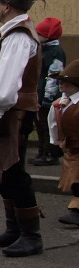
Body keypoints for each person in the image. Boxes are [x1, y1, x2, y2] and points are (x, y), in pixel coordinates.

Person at [0, 0, 50, 257]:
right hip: (10, 111)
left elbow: (7, 89)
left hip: (11, 112)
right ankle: (15, 229)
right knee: (7, 173)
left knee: (14, 172)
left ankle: (31, 235)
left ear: (7, 6)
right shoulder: (13, 33)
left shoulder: (18, 37)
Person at [31, 17, 66, 167]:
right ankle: (42, 151)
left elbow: (54, 76)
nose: (36, 35)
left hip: (48, 98)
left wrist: (47, 97)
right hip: (39, 95)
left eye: (39, 33)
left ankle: (51, 153)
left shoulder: (55, 52)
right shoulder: (42, 49)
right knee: (39, 124)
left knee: (48, 126)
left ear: (48, 36)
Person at [49, 60, 79, 227]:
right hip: (71, 148)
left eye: (65, 82)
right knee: (74, 180)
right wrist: (57, 142)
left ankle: (76, 211)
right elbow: (53, 124)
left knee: (77, 180)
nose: (61, 86)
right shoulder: (59, 105)